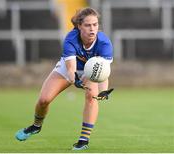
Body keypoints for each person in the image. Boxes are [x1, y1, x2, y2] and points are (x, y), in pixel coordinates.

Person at [15, 7, 114, 150]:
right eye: (87, 25)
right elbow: (70, 70)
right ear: (79, 26)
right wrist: (76, 80)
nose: (92, 29)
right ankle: (36, 126)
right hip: (69, 68)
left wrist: (103, 91)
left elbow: (103, 72)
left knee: (92, 97)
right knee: (44, 100)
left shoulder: (105, 43)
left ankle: (83, 140)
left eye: (95, 24)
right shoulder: (71, 38)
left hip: (91, 71)